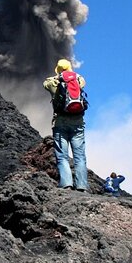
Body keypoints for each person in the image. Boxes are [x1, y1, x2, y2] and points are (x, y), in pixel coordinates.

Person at [43, 59, 88, 191]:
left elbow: (45, 83)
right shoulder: (79, 81)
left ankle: (66, 183)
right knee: (79, 156)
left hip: (60, 122)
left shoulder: (53, 83)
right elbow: (83, 81)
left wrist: (58, 77)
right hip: (78, 123)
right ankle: (82, 185)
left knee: (62, 155)